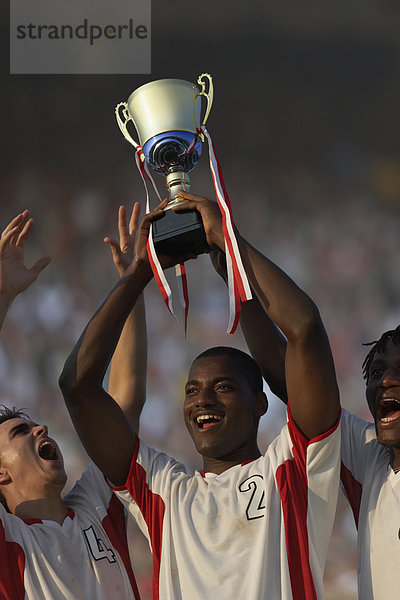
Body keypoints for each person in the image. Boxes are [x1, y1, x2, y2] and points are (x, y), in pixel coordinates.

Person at [59, 192, 341, 600]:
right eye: (192, 390)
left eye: (222, 387)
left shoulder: (295, 467)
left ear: (261, 403)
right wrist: (139, 272)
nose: (202, 400)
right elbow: (78, 386)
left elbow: (305, 330)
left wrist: (229, 239)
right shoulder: (165, 492)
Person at [0, 207, 146, 599]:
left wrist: (134, 281)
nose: (40, 428)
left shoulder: (95, 506)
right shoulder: (9, 538)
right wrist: (2, 295)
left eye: (32, 425)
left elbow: (123, 405)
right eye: (19, 432)